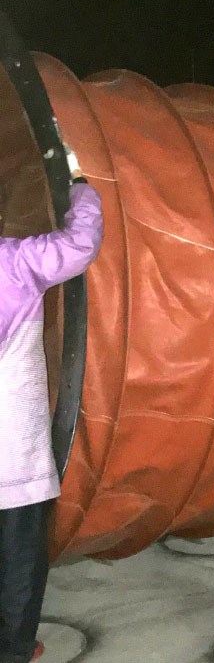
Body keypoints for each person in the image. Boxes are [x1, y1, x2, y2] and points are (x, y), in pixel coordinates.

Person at [0, 148, 103, 663]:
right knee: (18, 553)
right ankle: (15, 649)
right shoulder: (14, 262)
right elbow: (80, 243)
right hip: (11, 453)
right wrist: (79, 185)